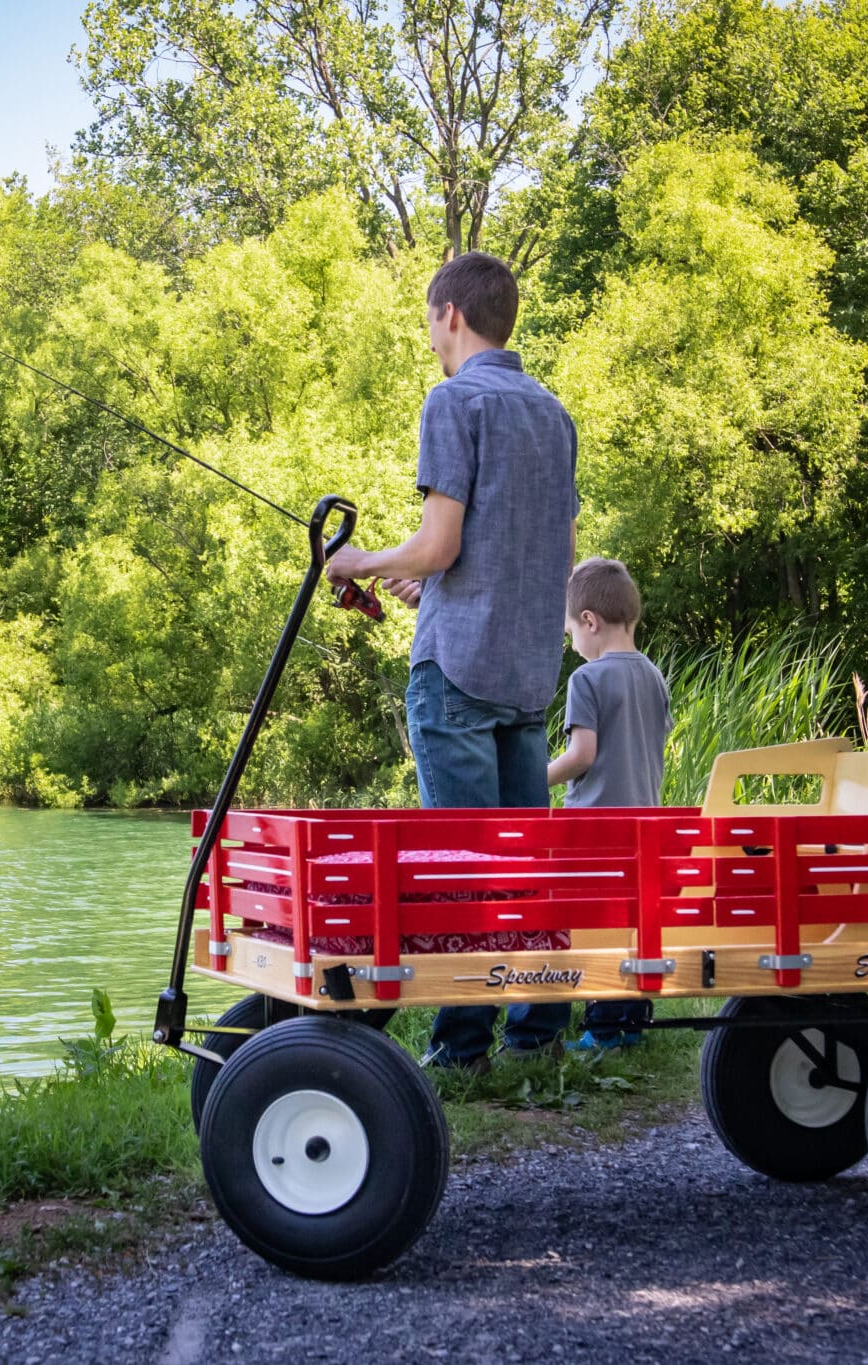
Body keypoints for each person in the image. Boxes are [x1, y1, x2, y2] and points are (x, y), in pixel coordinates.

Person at [323, 251, 578, 1072]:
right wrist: (427, 581)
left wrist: (357, 562)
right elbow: (552, 557)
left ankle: (462, 1049)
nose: (431, 336)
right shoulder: (553, 413)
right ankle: (535, 1038)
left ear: (451, 316)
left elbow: (440, 542)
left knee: (461, 868)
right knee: (522, 865)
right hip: (529, 676)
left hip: (459, 674)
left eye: (431, 321)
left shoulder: (453, 399)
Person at [548, 556, 674, 1049]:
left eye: (569, 632)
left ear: (589, 621)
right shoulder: (654, 675)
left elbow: (582, 755)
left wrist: (538, 779)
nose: (571, 644)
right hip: (645, 825)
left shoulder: (588, 679)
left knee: (594, 926)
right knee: (631, 923)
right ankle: (631, 1024)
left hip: (594, 828)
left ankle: (601, 1031)